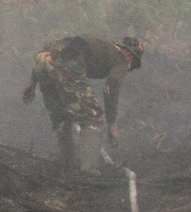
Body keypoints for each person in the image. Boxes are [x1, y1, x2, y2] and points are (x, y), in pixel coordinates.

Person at [21, 35, 143, 172]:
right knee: (93, 117)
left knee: (61, 115)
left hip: (42, 58)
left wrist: (32, 82)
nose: (130, 68)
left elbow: (52, 53)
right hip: (66, 62)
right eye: (133, 65)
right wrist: (112, 124)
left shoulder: (101, 45)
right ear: (131, 55)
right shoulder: (122, 59)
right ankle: (89, 170)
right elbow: (110, 88)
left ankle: (66, 163)